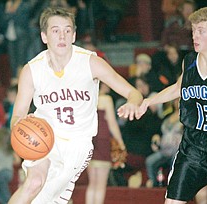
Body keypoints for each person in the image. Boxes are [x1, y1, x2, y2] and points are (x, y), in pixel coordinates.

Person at [8, 7, 142, 204]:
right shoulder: (31, 70)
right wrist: (20, 126)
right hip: (45, 136)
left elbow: (134, 92)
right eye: (55, 30)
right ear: (44, 36)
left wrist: (132, 102)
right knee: (34, 183)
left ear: (74, 35)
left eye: (67, 30)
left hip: (78, 143)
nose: (62, 35)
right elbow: (17, 115)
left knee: (45, 200)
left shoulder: (91, 62)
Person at [138, 6, 207, 203]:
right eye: (193, 30)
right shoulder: (189, 61)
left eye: (201, 30)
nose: (194, 36)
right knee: (172, 201)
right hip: (193, 145)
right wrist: (148, 101)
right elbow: (177, 88)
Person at [85, 82, 125, 204]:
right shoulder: (106, 99)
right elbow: (112, 124)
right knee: (101, 184)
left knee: (92, 183)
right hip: (103, 140)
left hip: (88, 139)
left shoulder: (87, 97)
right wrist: (121, 143)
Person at [145, 98, 183, 188]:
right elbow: (158, 130)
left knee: (175, 161)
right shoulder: (168, 116)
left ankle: (173, 186)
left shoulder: (186, 117)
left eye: (179, 100)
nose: (177, 102)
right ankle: (154, 184)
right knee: (150, 161)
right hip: (164, 149)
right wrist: (156, 136)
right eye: (175, 100)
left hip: (178, 150)